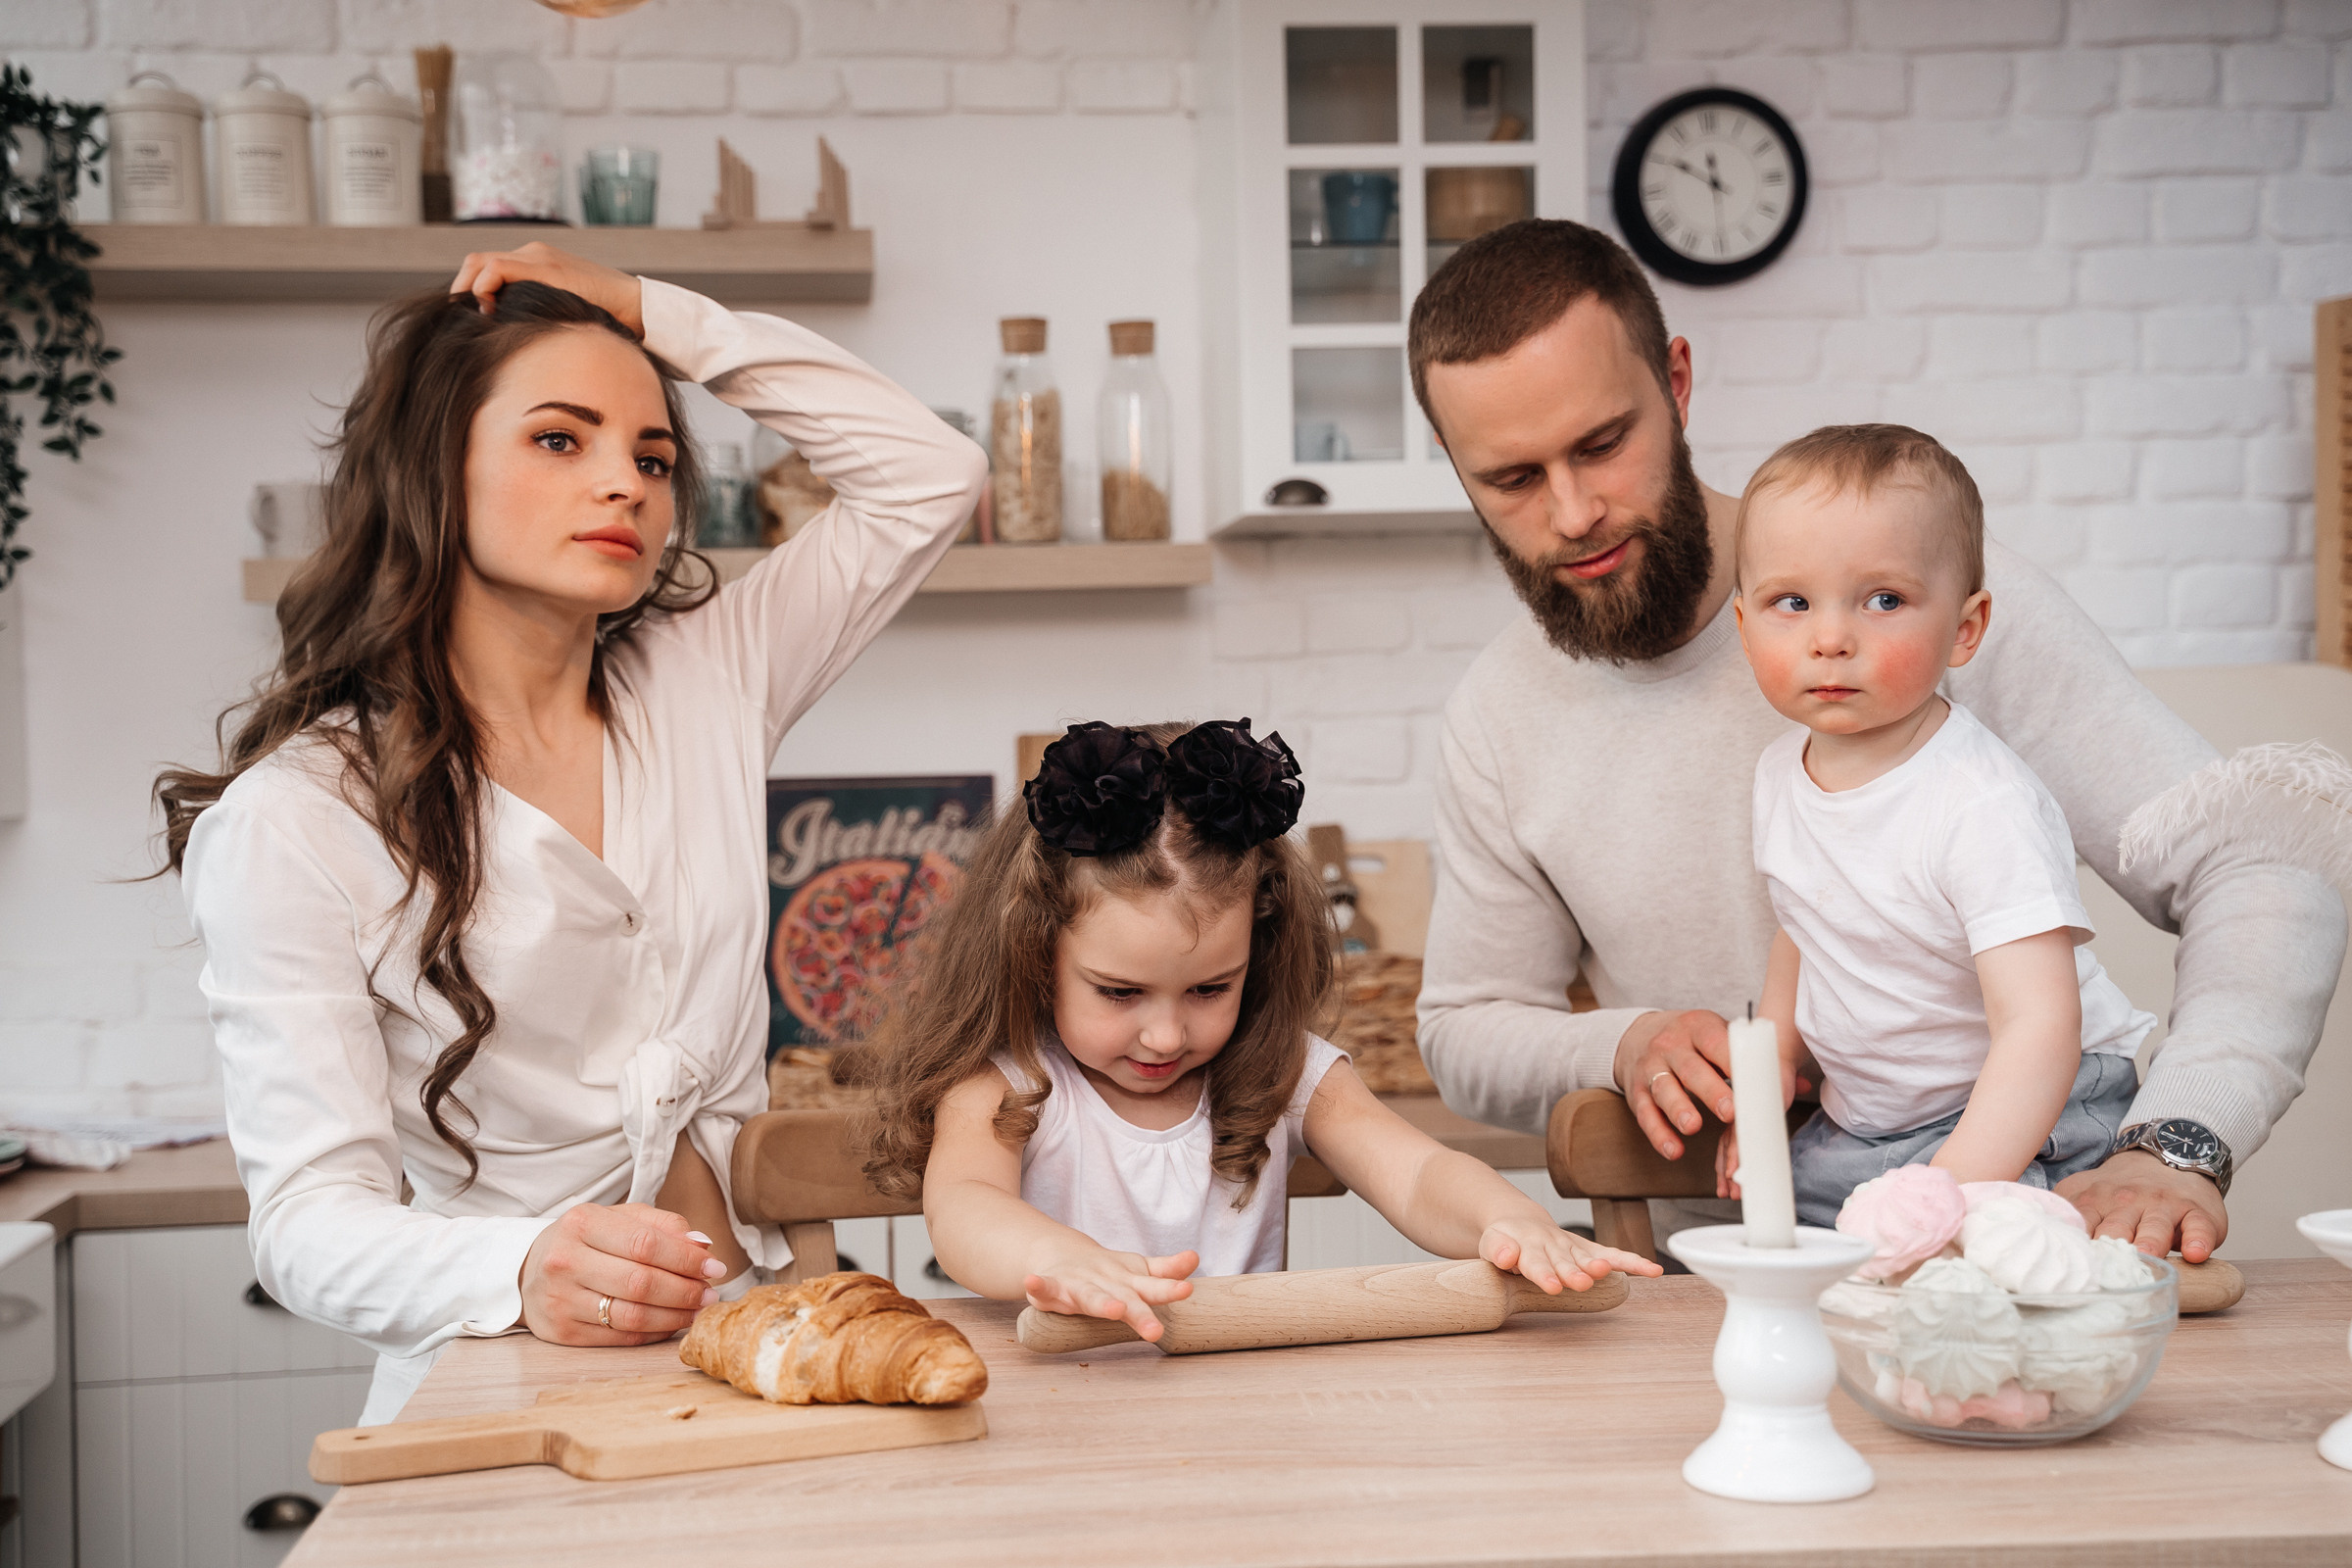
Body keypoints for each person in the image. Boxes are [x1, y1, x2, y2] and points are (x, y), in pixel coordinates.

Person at [156, 243, 987, 1424]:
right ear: (434, 469)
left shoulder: (709, 680)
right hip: (506, 1392)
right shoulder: (297, 818)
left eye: (652, 457)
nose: (627, 485)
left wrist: (654, 312)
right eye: (560, 439)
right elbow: (306, 1227)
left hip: (770, 1357)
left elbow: (932, 474)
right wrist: (519, 1265)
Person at [1411, 219, 2343, 1261]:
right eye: (1512, 479)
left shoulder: (1923, 614)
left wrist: (2177, 1143)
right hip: (1744, 1278)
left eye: (1600, 445)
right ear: (1453, 463)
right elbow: (1466, 1022)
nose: (1574, 511)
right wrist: (1624, 1040)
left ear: (1675, 382)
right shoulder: (1498, 717)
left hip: (2010, 1241)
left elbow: (2268, 859)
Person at [861, 720, 1656, 1338]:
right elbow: (963, 1206)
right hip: (1057, 1405)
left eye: (1210, 988)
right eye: (1120, 993)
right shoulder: (1010, 1084)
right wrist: (1053, 1258)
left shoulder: (1288, 1071)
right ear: (1036, 956)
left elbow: (1415, 1174)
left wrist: (1507, 1219)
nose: (1166, 1035)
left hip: (1243, 1411)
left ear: (1260, 952)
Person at [1712, 424, 2156, 1225]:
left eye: (1884, 600)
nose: (1831, 638)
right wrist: (1774, 1054)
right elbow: (1802, 924)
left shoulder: (1980, 802)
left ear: (1965, 627)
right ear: (1744, 628)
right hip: (1878, 1121)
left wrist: (1944, 1196)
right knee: (1798, 1226)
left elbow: (2038, 1028)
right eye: (1792, 602)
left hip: (2037, 1098)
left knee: (2000, 1241)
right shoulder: (1778, 772)